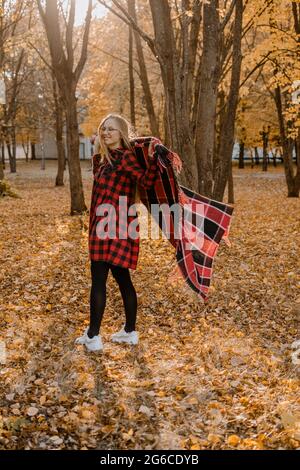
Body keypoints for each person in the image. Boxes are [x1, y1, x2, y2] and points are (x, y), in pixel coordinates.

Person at [75, 114, 159, 352]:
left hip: (117, 224)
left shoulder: (125, 158)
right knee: (121, 278)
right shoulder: (100, 160)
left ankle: (94, 336)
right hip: (102, 224)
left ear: (121, 133)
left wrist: (153, 161)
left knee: (101, 278)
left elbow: (145, 183)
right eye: (103, 129)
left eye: (111, 129)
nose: (106, 133)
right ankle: (129, 332)